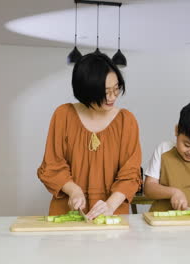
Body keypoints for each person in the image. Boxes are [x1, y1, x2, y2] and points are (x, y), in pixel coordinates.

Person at [37, 53, 142, 220]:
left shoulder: (126, 121)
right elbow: (52, 166)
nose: (112, 97)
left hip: (112, 215)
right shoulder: (63, 115)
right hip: (68, 213)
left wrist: (110, 205)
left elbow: (130, 174)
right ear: (86, 90)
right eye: (105, 92)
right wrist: (74, 191)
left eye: (116, 89)